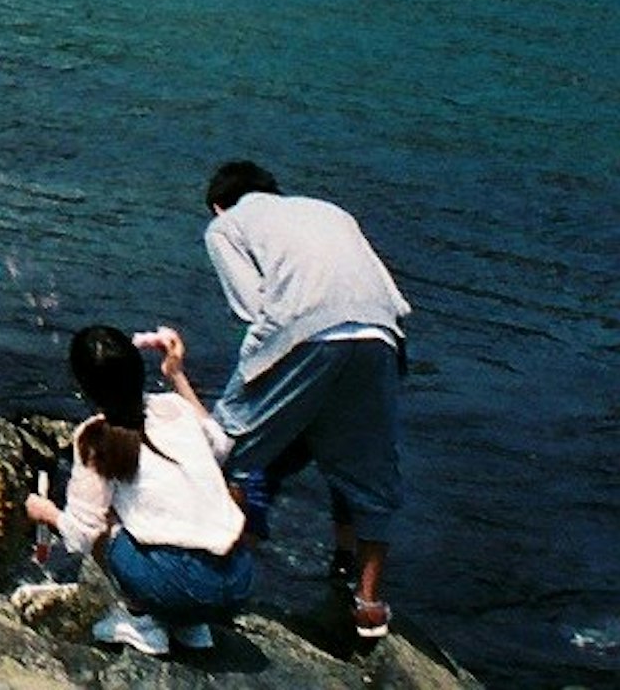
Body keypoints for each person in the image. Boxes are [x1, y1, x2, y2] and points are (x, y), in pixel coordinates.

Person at [202, 161, 408, 643]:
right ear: (274, 191)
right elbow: (388, 294)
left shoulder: (225, 226)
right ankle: (367, 603)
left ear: (217, 203)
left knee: (225, 447)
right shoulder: (330, 211)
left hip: (305, 330)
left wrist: (254, 392)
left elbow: (254, 307)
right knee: (367, 468)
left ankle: (221, 573)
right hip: (381, 334)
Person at [26, 325, 252, 656]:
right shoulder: (174, 407)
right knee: (186, 500)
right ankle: (188, 625)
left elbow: (80, 536)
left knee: (106, 521)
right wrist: (176, 374)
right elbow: (220, 446)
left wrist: (45, 512)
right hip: (238, 582)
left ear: (84, 386)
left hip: (178, 586)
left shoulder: (95, 437)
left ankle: (143, 621)